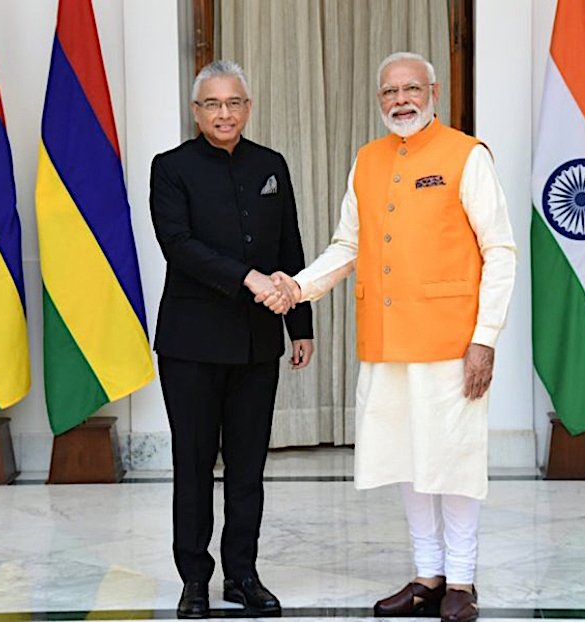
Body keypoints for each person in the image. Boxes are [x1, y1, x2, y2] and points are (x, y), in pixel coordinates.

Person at [260, 52, 516, 622]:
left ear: (434, 92)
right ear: (379, 100)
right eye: (388, 92)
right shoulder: (368, 160)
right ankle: (428, 576)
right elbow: (346, 247)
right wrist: (295, 288)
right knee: (409, 459)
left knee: (454, 459)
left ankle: (463, 582)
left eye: (410, 89)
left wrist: (486, 338)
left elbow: (500, 251)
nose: (400, 100)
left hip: (453, 343)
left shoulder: (466, 155)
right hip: (385, 340)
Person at [150, 60, 314, 618]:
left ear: (248, 107)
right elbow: (179, 245)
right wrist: (247, 278)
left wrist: (301, 324)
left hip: (256, 342)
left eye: (234, 103)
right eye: (213, 104)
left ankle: (242, 574)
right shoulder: (170, 168)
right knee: (194, 464)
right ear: (197, 112)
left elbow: (290, 245)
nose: (225, 113)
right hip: (191, 344)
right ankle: (194, 578)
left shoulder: (271, 165)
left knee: (248, 467)